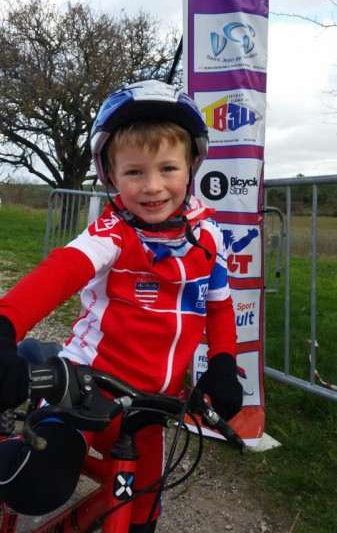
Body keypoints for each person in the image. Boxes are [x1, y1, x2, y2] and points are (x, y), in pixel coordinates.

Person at [0, 80, 243, 532]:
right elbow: (57, 274)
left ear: (192, 166)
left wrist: (225, 361)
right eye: (134, 172)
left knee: (141, 517)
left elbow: (219, 307)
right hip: (83, 389)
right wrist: (3, 329)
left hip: (151, 408)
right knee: (36, 486)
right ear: (111, 177)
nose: (152, 187)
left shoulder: (210, 237)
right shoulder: (111, 234)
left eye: (167, 168)